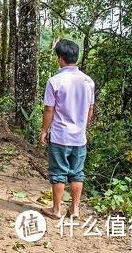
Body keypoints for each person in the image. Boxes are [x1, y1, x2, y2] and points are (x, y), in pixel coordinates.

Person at [40, 39, 95, 220]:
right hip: (79, 137)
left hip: (60, 135)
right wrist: (82, 127)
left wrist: (44, 130)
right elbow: (90, 109)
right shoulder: (88, 82)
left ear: (61, 59)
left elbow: (49, 109)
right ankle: (75, 209)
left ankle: (56, 210)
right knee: (77, 173)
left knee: (58, 173)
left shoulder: (55, 81)